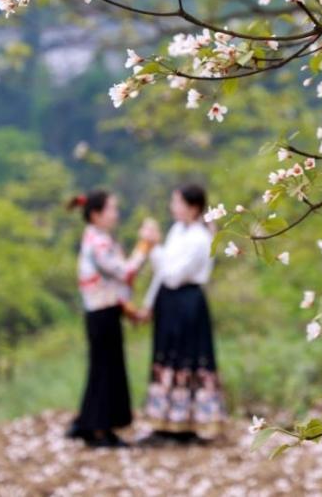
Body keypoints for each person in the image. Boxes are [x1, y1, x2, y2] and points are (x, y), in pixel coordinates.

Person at [136, 184, 225, 445]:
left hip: (187, 303)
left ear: (193, 207)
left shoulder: (200, 238)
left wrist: (153, 248)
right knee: (167, 359)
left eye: (177, 202)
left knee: (186, 360)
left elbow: (174, 276)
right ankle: (166, 422)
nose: (172, 207)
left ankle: (187, 423)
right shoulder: (178, 231)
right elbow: (162, 276)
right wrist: (149, 303)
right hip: (169, 302)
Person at [65, 190, 152, 448]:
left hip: (102, 312)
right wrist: (144, 245)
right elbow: (122, 272)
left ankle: (89, 423)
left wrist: (127, 309)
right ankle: (101, 428)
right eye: (111, 209)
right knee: (107, 369)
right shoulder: (99, 243)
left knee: (102, 368)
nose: (116, 214)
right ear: (96, 214)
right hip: (102, 313)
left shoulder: (97, 238)